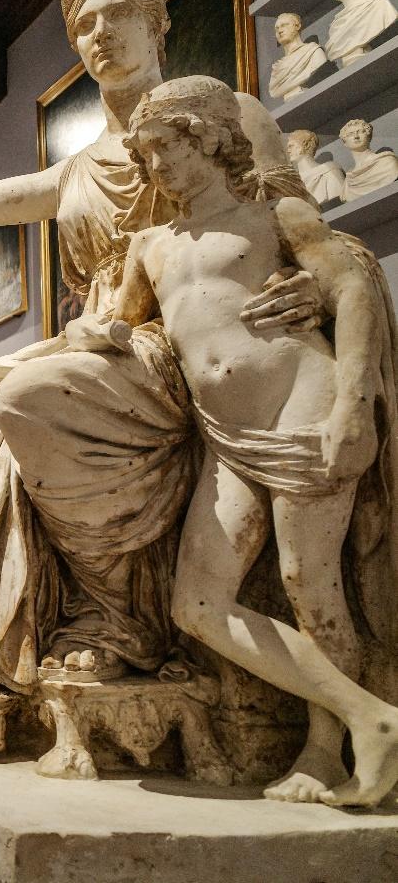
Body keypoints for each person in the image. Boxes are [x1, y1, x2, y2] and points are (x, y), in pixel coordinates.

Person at [0, 0, 334, 775]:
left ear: (158, 29)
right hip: (103, 344)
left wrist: (311, 282)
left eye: (117, 17)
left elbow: (299, 232)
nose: (98, 36)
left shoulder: (223, 115)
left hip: (181, 351)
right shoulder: (79, 167)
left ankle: (119, 620)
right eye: (82, 26)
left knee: (38, 396)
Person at [75, 75, 398, 807]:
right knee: (196, 603)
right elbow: (122, 325)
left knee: (308, 586)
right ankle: (369, 717)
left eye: (163, 147)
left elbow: (347, 287)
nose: (153, 166)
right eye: (144, 152)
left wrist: (351, 406)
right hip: (226, 434)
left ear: (208, 140)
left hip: (299, 403)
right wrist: (93, 335)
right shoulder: (149, 244)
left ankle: (323, 751)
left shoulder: (270, 216)